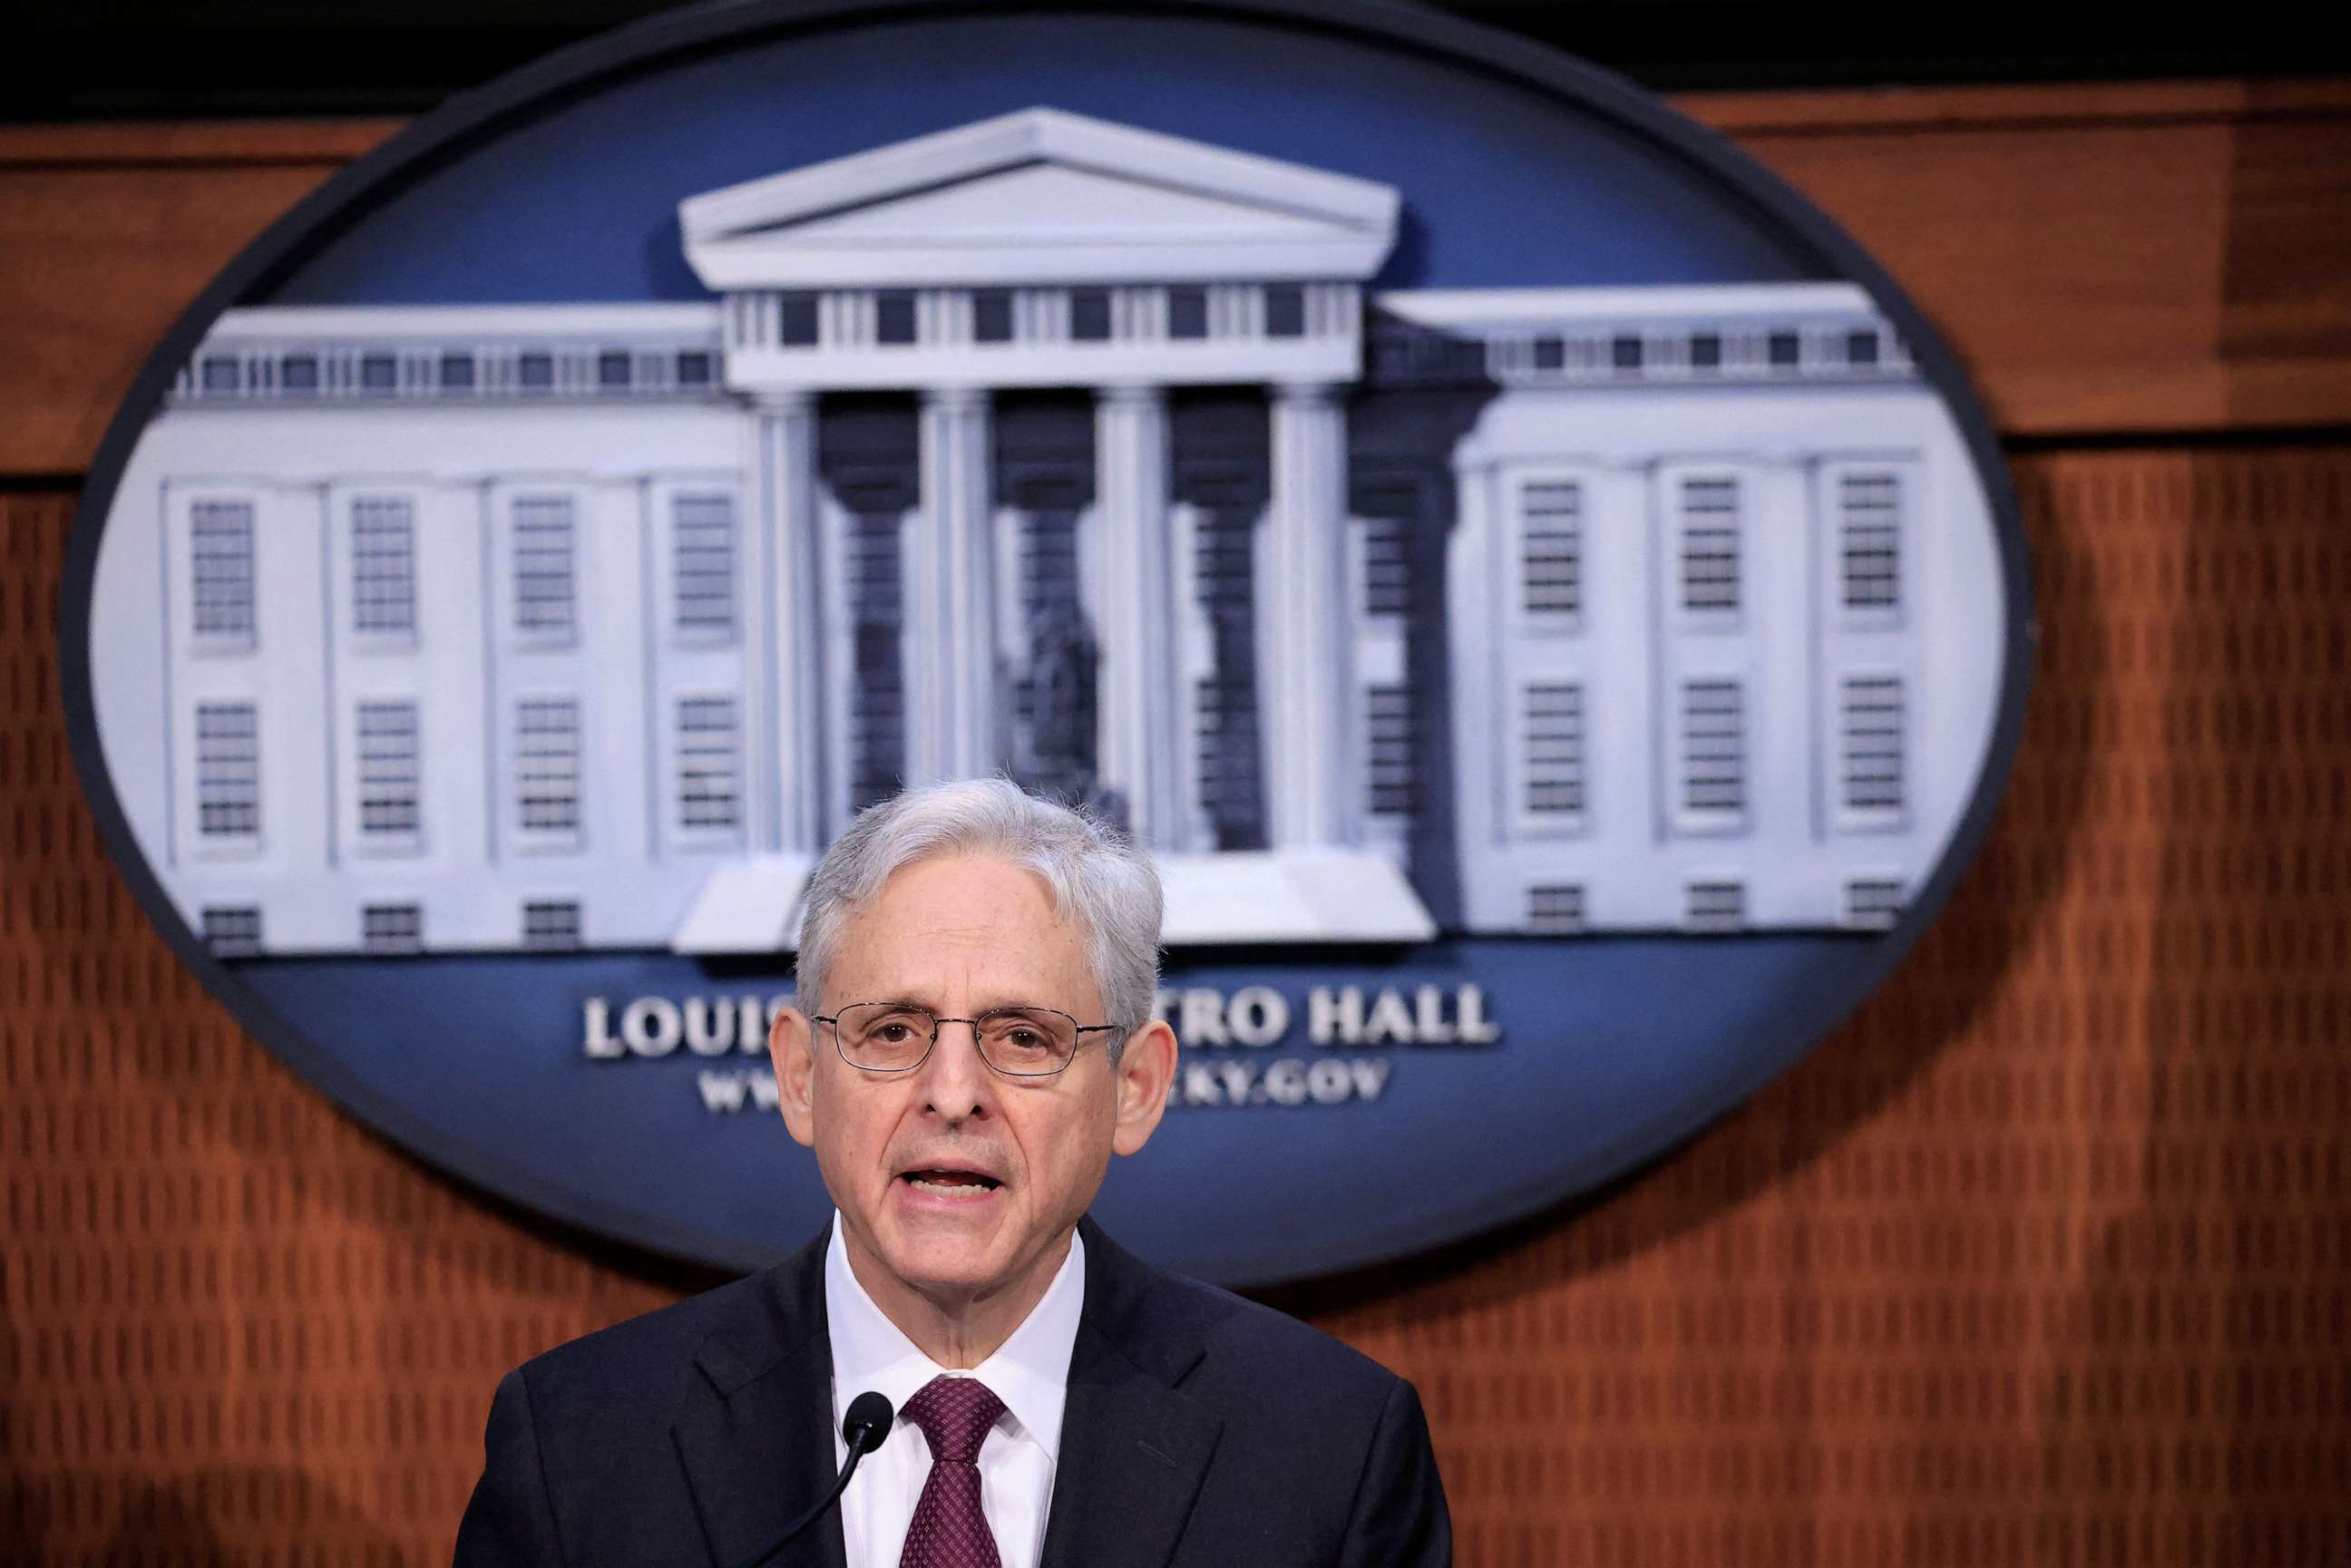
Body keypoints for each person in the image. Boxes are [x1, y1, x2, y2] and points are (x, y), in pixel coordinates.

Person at [454, 778, 1451, 1566]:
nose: (953, 1091)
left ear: (1136, 1087)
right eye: (893, 1030)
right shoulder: (583, 1449)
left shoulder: (1329, 1450)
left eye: (1024, 1036)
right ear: (801, 1076)